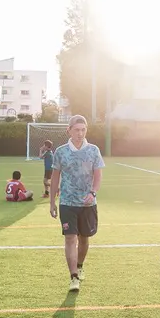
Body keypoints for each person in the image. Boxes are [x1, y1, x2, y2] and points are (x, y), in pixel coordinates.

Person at [50, 115, 104, 292]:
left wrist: (92, 192)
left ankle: (80, 265)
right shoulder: (60, 152)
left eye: (83, 130)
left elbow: (97, 175)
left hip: (88, 203)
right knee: (70, 238)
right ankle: (73, 277)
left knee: (84, 239)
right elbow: (55, 176)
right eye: (77, 130)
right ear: (69, 130)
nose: (80, 133)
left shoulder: (93, 150)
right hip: (67, 202)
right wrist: (52, 202)